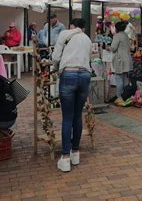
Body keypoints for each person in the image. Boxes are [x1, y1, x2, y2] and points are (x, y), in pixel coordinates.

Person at [52, 18, 92, 172]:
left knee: (67, 117)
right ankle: (75, 152)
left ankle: (65, 158)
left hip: (68, 74)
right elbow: (89, 58)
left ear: (72, 26)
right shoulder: (87, 39)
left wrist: (56, 66)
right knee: (77, 115)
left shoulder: (65, 33)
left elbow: (55, 57)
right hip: (84, 75)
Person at [111, 21, 132, 100]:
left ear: (116, 28)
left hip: (120, 60)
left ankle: (119, 96)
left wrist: (109, 47)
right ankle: (125, 95)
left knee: (119, 78)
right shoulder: (126, 35)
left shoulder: (117, 36)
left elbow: (113, 48)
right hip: (127, 58)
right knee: (125, 78)